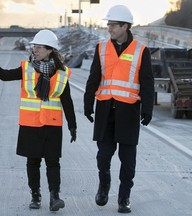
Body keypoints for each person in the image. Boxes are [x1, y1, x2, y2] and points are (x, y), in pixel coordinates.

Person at [0, 29, 77, 212]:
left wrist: (72, 125)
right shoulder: (27, 68)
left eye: (38, 47)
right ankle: (35, 196)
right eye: (34, 47)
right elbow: (6, 76)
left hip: (52, 124)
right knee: (33, 162)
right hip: (30, 124)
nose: (35, 50)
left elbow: (66, 100)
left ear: (49, 50)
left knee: (53, 162)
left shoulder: (62, 73)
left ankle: (55, 197)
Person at [83, 5, 154, 214]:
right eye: (109, 24)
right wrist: (88, 104)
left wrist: (147, 109)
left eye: (113, 25)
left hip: (129, 113)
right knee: (103, 157)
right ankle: (104, 186)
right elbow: (94, 77)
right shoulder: (101, 48)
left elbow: (147, 82)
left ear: (125, 26)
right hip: (105, 111)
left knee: (128, 161)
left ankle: (124, 198)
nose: (109, 28)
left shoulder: (142, 50)